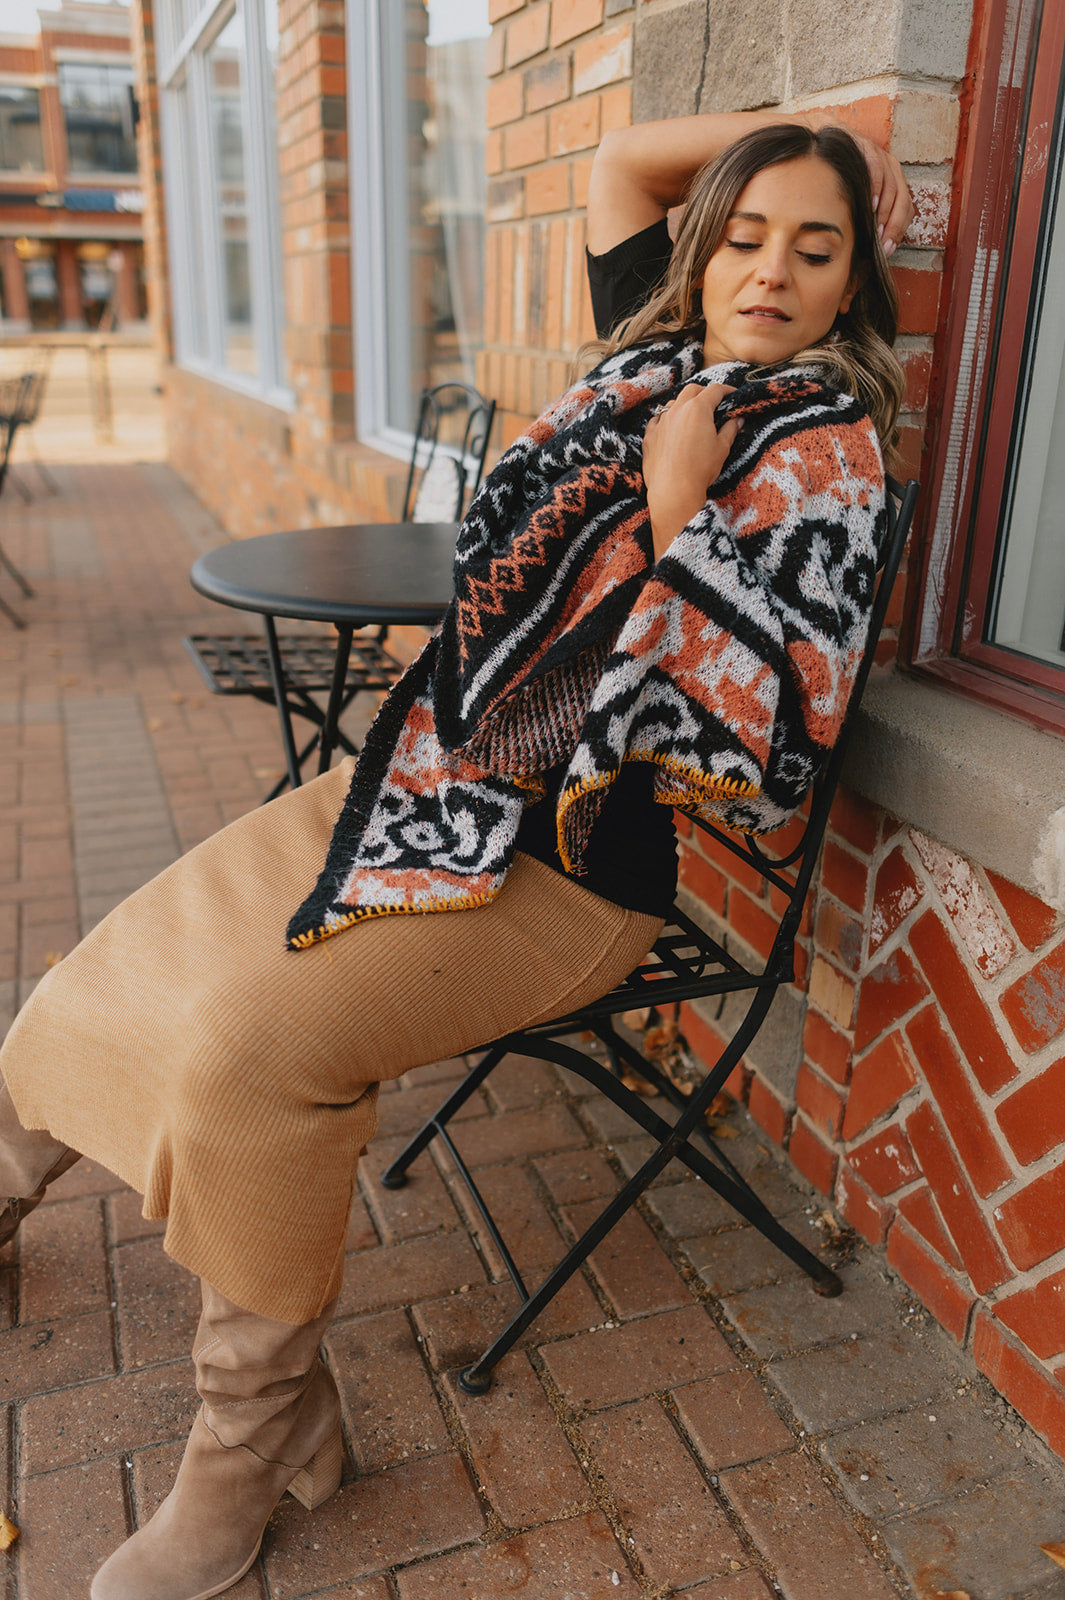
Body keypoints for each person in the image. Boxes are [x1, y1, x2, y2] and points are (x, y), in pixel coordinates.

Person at [0, 109, 912, 1600]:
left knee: (245, 1059)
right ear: (699, 249)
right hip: (425, 786)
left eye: (817, 250)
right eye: (744, 235)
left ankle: (244, 1453)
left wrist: (682, 512)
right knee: (126, 956)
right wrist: (828, 141)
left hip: (569, 880)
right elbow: (622, 162)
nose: (770, 272)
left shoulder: (832, 464)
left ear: (853, 282)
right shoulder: (648, 353)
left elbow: (757, 751)